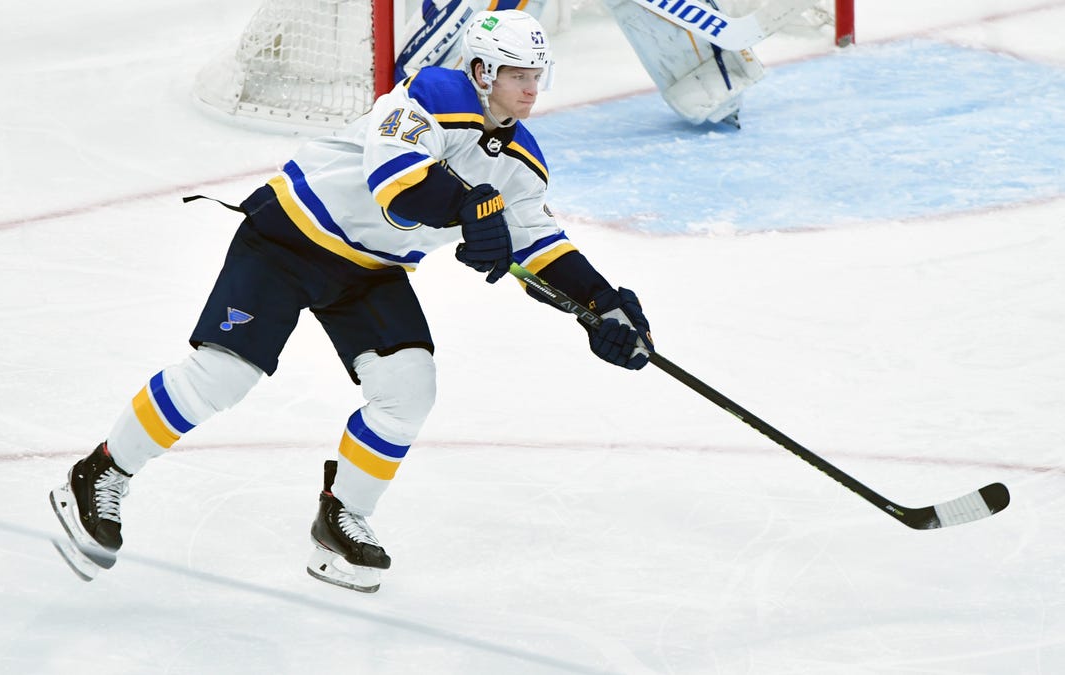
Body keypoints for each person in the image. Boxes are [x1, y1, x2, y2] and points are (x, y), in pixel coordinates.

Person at [49, 9, 652, 593]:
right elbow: (397, 183)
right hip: (289, 236)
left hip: (369, 270)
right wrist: (469, 208)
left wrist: (602, 304)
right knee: (223, 377)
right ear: (482, 72)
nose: (530, 89)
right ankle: (102, 472)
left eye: (535, 77)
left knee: (408, 388)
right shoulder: (428, 95)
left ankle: (338, 519)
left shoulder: (522, 161)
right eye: (518, 75)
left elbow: (540, 242)